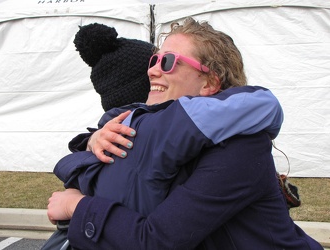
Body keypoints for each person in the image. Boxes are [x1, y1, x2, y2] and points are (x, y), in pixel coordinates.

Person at [47, 17, 323, 249]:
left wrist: (77, 207)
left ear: (209, 83)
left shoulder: (240, 148)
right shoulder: (157, 133)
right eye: (154, 60)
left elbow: (158, 240)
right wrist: (94, 140)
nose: (153, 70)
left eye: (168, 61)